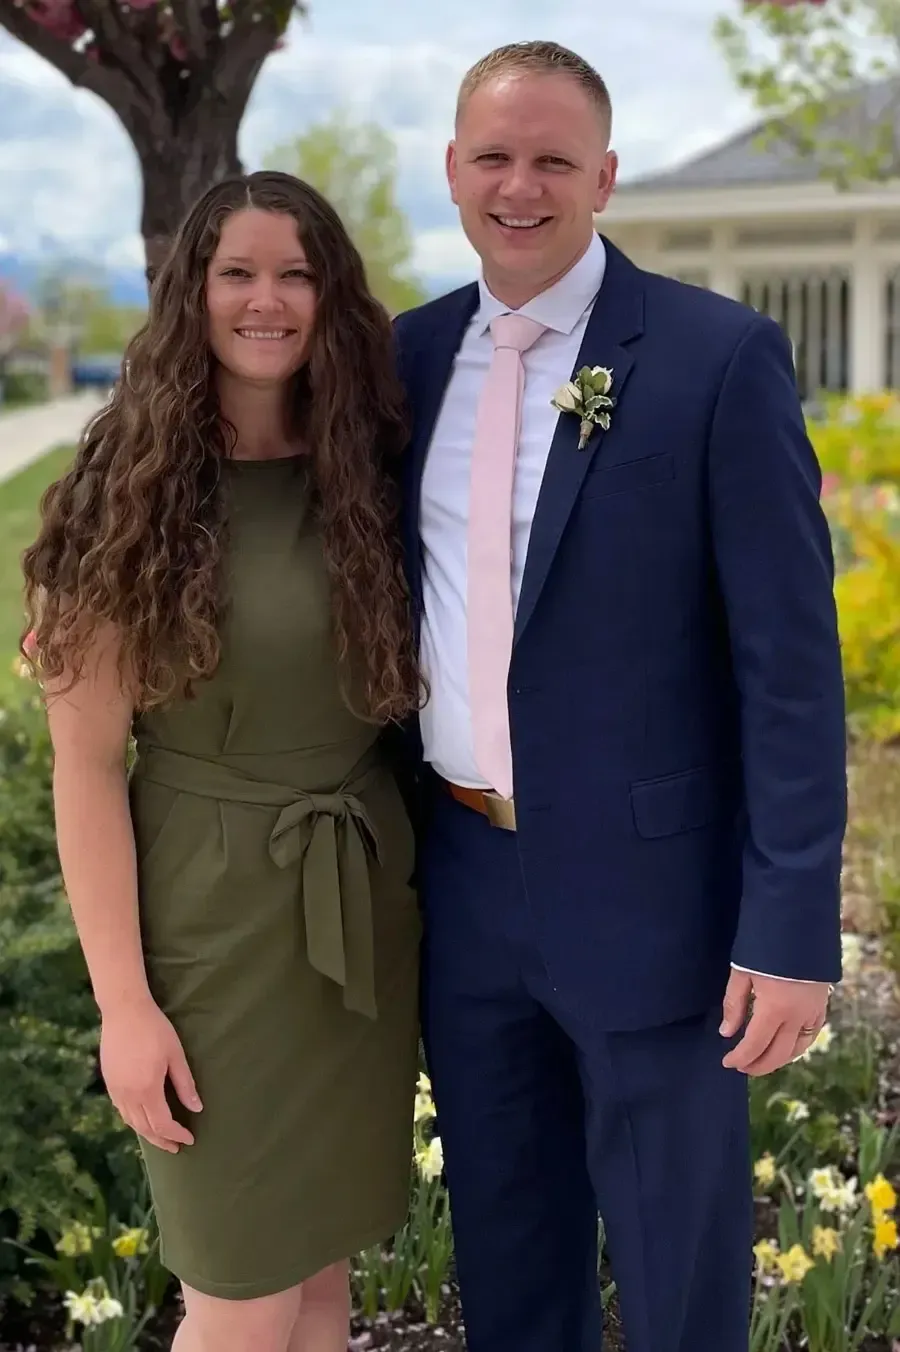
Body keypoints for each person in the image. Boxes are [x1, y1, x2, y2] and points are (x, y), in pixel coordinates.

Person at [393, 40, 847, 1352]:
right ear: (453, 172)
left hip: (663, 909)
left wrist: (787, 927)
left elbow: (790, 675)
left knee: (680, 1286)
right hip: (465, 885)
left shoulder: (717, 359)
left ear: (605, 174)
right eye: (494, 156)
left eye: (551, 159)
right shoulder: (408, 362)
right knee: (510, 1263)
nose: (519, 185)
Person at [21, 170, 423, 1352]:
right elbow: (85, 767)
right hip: (206, 932)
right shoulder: (121, 496)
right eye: (237, 272)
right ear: (190, 290)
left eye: (296, 273)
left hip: (354, 919)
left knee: (316, 1286)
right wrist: (124, 1006)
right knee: (239, 1299)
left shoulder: (368, 464)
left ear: (330, 294)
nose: (268, 300)